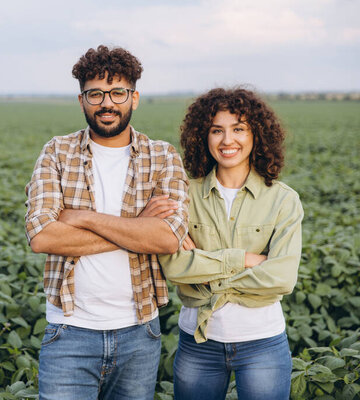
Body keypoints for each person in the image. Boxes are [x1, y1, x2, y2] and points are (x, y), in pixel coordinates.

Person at [24, 45, 189, 399]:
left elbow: (168, 238)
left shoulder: (162, 155)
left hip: (138, 334)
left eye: (118, 92)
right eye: (95, 93)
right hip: (69, 332)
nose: (107, 103)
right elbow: (41, 236)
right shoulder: (57, 152)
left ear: (135, 97)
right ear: (82, 99)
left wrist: (82, 218)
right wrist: (137, 227)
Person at [156, 88, 303, 400]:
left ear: (256, 135)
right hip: (198, 343)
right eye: (216, 130)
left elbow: (282, 277)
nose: (227, 141)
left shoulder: (283, 199)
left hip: (263, 342)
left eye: (238, 129)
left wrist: (205, 267)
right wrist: (247, 259)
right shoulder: (185, 194)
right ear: (203, 136)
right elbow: (175, 267)